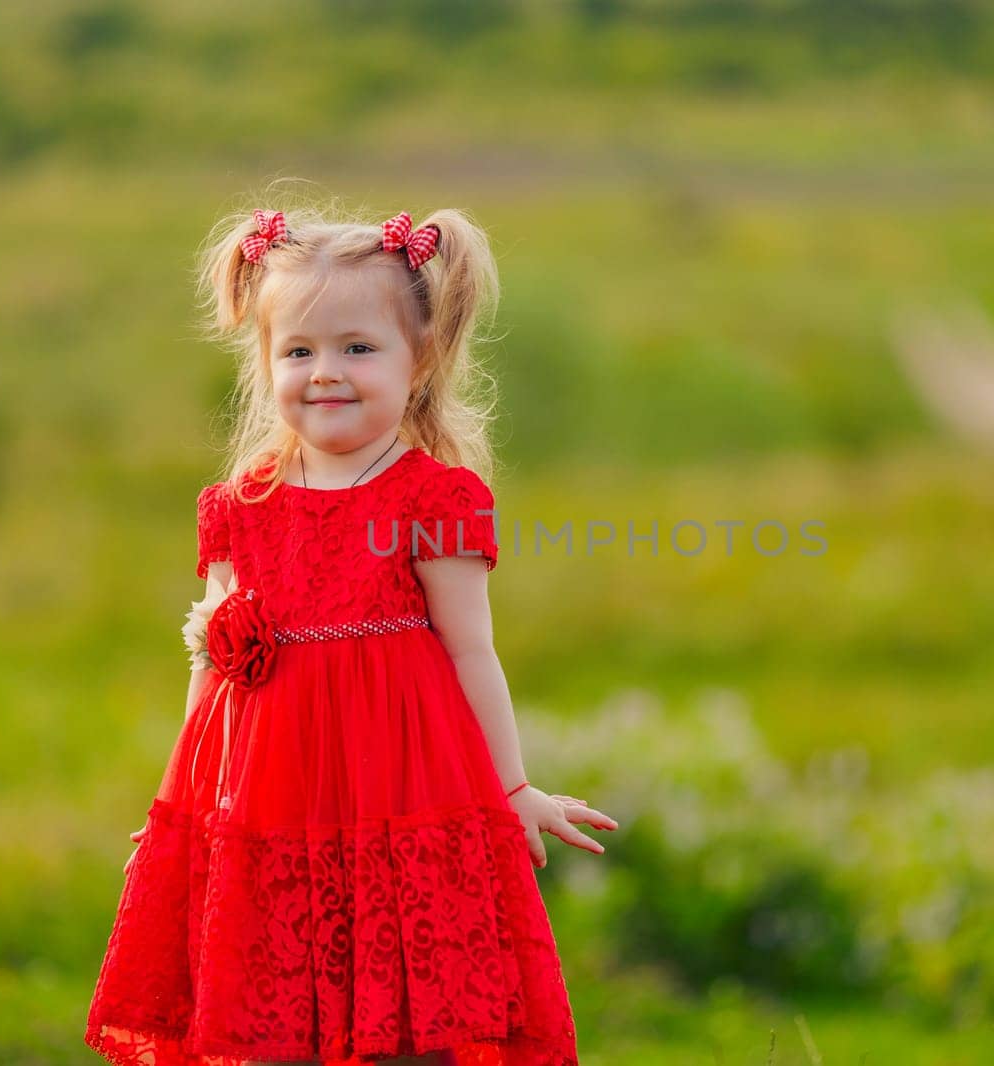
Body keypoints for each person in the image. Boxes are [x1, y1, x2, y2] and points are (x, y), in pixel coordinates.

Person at [83, 198, 617, 1066]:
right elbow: (215, 666)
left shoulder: (432, 498)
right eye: (299, 350)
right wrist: (186, 805)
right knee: (272, 1012)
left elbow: (472, 651)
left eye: (357, 348)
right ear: (266, 364)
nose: (324, 372)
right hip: (274, 804)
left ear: (421, 360)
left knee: (416, 1023)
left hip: (407, 795)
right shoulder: (239, 508)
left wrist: (512, 791)